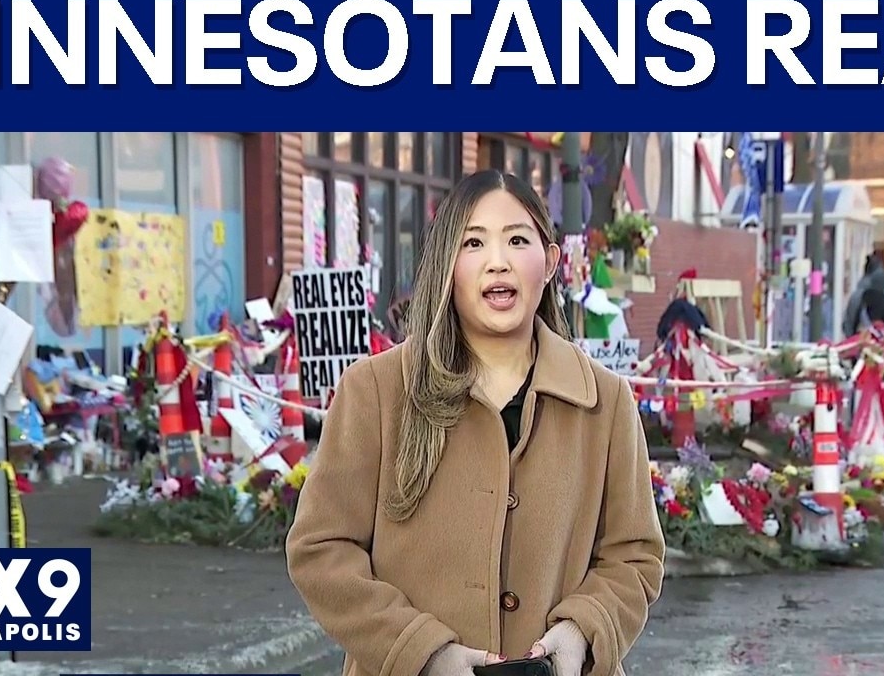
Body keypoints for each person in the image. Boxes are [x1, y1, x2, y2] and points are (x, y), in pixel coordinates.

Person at [285, 170, 666, 676]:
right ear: (448, 263)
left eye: (517, 240)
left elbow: (635, 556)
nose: (498, 261)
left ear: (550, 262)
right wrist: (420, 650)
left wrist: (584, 629)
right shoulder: (375, 391)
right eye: (473, 242)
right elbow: (321, 549)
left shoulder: (605, 401)